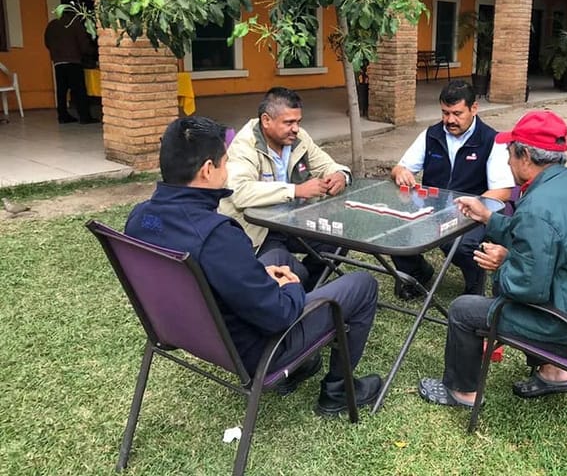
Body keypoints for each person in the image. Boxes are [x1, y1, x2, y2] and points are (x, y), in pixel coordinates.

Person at [125, 116, 382, 415]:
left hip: (185, 331)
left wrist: (262, 275)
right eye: (226, 162)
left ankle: (302, 363)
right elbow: (279, 315)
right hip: (257, 351)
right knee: (362, 285)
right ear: (208, 170)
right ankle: (338, 391)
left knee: (280, 260)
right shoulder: (216, 235)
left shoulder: (140, 217)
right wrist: (291, 288)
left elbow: (218, 273)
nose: (229, 169)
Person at [417, 110, 567, 408]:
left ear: (525, 155)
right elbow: (540, 238)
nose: (508, 161)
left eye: (510, 153)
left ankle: (462, 392)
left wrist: (504, 265)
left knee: (463, 310)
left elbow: (527, 288)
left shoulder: (537, 206)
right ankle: (554, 373)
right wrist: (488, 217)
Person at [390, 80, 514, 299]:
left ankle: (474, 283)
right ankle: (417, 272)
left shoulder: (491, 140)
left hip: (473, 212)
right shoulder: (431, 135)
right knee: (392, 228)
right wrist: (400, 172)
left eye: (457, 113)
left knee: (458, 243)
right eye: (445, 113)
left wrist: (471, 206)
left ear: (474, 108)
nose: (450, 120)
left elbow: (503, 191)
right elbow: (400, 167)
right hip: (432, 207)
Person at [219, 87, 352, 291]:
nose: (296, 128)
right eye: (289, 122)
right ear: (266, 121)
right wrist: (295, 191)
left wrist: (340, 175)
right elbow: (239, 192)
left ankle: (308, 290)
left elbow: (326, 164)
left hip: (293, 222)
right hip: (259, 230)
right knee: (295, 272)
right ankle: (301, 290)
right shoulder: (245, 145)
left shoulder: (298, 138)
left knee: (340, 239)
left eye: (298, 121)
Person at [44, 12, 99, 124]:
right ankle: (84, 116)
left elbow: (47, 42)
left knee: (61, 90)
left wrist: (56, 53)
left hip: (58, 62)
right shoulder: (75, 24)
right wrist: (94, 52)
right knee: (79, 90)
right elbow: (83, 44)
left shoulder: (51, 25)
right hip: (74, 61)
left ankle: (62, 115)